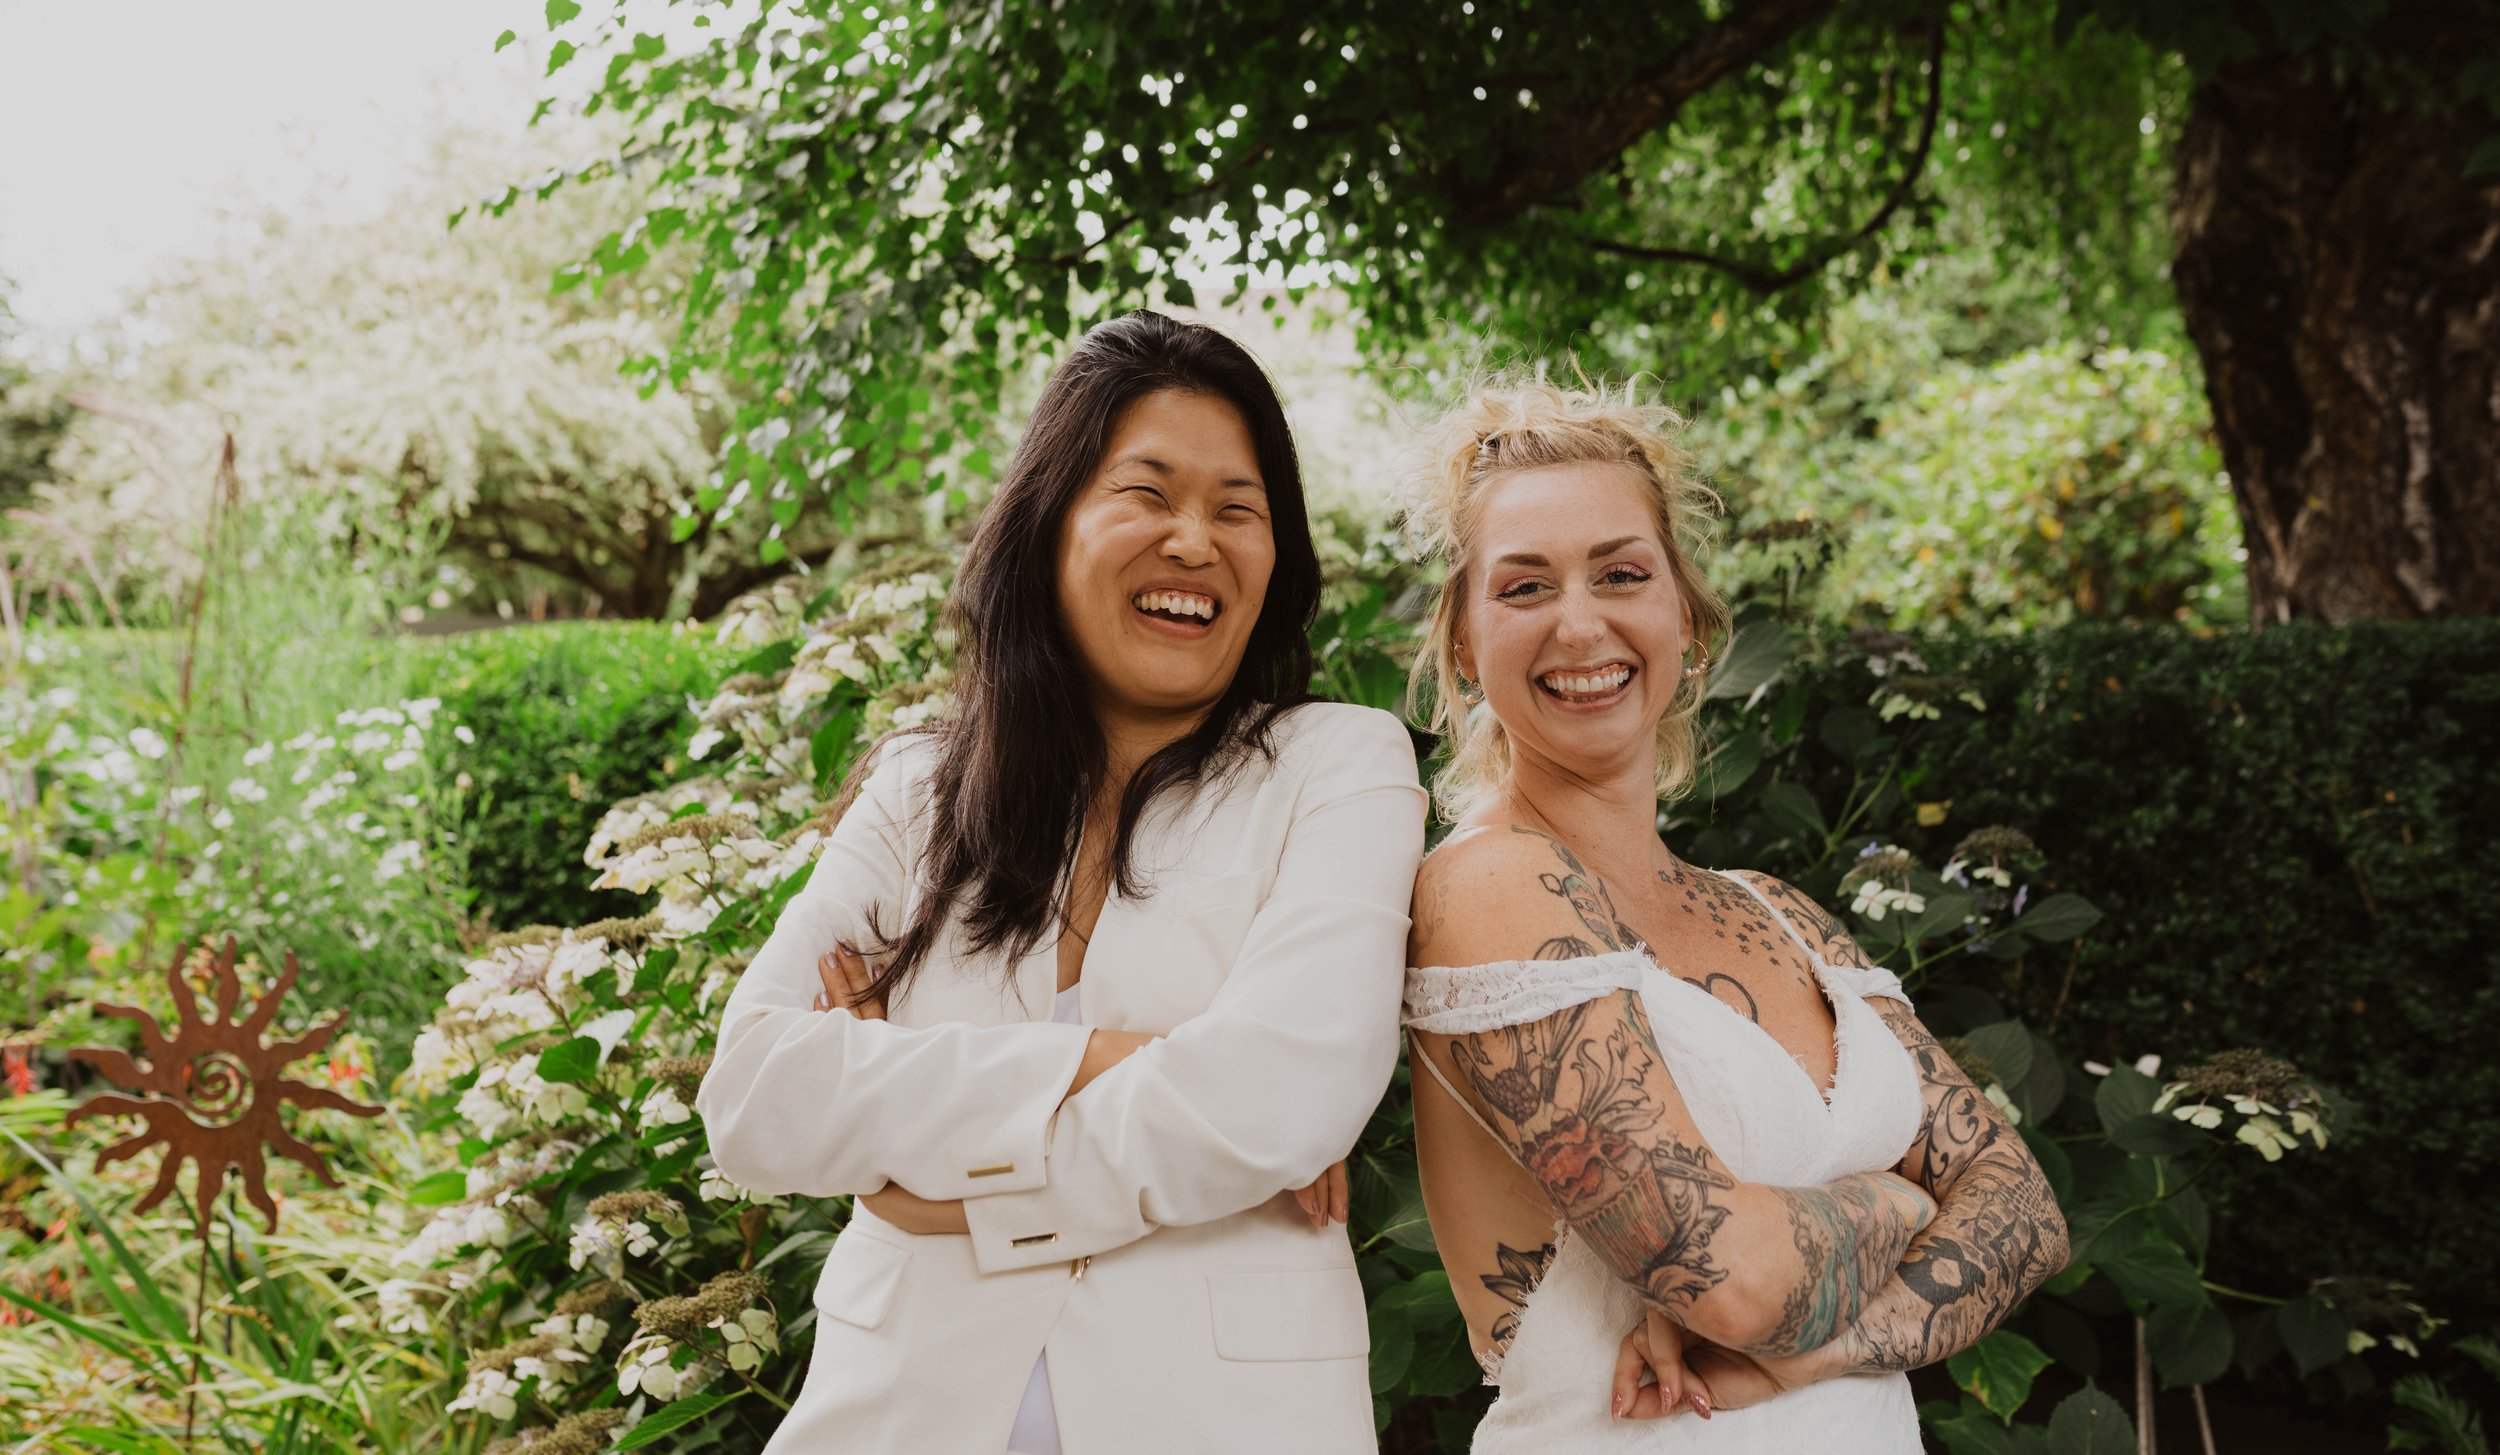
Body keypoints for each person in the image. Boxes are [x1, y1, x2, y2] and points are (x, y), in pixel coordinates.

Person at [693, 310, 1427, 1455]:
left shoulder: (1340, 765)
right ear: (1050, 525)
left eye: (1239, 508)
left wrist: (924, 1182)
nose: (1196, 539)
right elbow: (750, 1097)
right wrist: (1120, 1060)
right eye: (1148, 492)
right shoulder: (915, 789)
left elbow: (1282, 1095)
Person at [1395, 373, 2070, 1450]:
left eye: (1620, 573)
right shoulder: (1490, 884)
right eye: (1523, 589)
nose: (1579, 622)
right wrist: (1901, 1205)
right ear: (1465, 645)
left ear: (1687, 622)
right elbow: (1730, 1282)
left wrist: (1828, 1348)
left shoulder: (1783, 914)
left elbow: (2026, 1211)